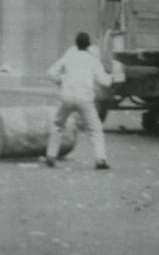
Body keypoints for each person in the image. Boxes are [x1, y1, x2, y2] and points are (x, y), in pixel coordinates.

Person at [44, 32, 112, 169]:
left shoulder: (69, 56)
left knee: (58, 124)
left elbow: (51, 72)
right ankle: (100, 158)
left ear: (76, 43)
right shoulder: (92, 60)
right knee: (95, 128)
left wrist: (61, 81)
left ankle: (51, 155)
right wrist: (113, 78)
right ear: (89, 45)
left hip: (67, 96)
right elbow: (105, 81)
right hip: (85, 98)